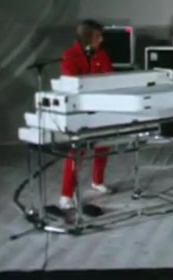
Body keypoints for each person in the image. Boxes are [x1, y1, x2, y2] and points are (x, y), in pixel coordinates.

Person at [58, 19, 114, 210]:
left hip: (100, 106)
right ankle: (66, 194)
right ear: (87, 37)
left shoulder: (102, 55)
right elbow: (73, 83)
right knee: (77, 151)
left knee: (103, 144)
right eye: (98, 36)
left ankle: (97, 181)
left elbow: (109, 77)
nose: (101, 39)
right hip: (79, 109)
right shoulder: (69, 56)